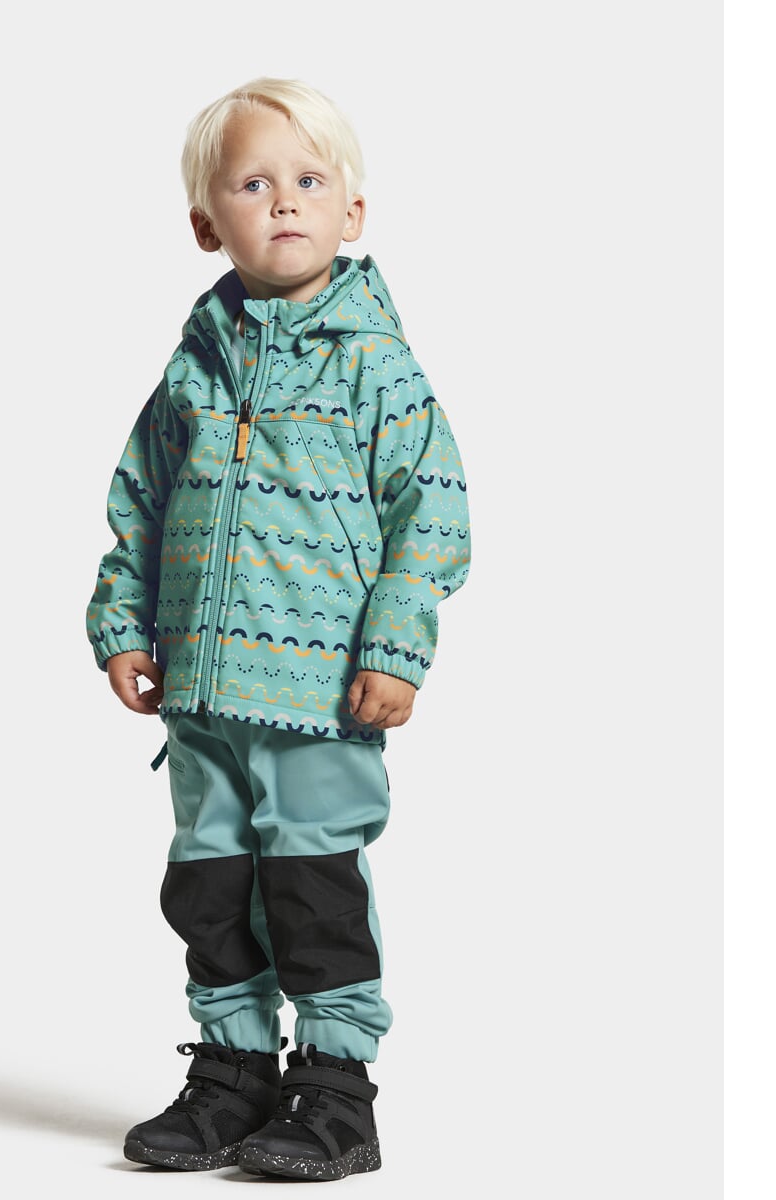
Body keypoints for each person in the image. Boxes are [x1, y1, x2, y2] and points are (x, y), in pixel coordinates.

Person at [86, 77, 470, 1181]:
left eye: (308, 179)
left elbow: (432, 508)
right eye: (253, 184)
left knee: (311, 892)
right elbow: (141, 499)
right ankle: (234, 1074)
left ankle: (338, 1093)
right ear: (207, 223)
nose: (285, 201)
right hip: (203, 698)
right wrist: (123, 621)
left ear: (353, 211)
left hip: (318, 697)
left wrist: (395, 646)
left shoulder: (373, 364)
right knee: (211, 891)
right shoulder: (194, 366)